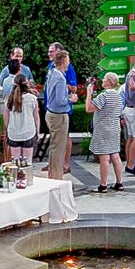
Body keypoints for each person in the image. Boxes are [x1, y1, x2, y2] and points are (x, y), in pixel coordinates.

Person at [90, 72, 129, 191]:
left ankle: (103, 185)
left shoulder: (104, 96)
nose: (102, 80)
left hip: (103, 129)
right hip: (114, 128)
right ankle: (119, 182)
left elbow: (89, 108)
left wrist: (88, 94)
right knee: (115, 155)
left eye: (104, 79)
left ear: (109, 82)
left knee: (104, 157)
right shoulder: (118, 95)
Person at [42, 45, 78, 177]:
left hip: (51, 113)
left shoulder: (52, 73)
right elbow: (60, 100)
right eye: (67, 60)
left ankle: (53, 174)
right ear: (63, 61)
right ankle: (56, 176)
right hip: (58, 116)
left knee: (54, 146)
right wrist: (71, 99)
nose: (68, 63)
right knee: (58, 148)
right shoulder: (60, 78)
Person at [4, 88, 40, 166]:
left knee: (15, 163)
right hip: (28, 132)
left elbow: (6, 118)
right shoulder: (32, 99)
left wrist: (7, 130)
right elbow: (36, 117)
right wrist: (37, 131)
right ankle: (27, 177)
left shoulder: (9, 99)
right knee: (28, 162)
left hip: (13, 133)